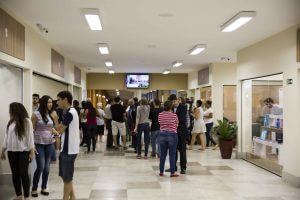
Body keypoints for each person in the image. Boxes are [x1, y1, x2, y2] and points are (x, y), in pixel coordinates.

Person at [1, 102, 35, 200]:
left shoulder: (27, 121)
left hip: (23, 151)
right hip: (11, 152)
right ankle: (19, 195)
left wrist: (32, 152)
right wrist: (3, 150)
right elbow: (6, 138)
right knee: (15, 174)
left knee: (23, 174)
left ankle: (27, 196)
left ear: (16, 110)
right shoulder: (10, 122)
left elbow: (30, 138)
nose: (9, 112)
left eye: (11, 110)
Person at [31, 95, 59, 197]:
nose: (51, 104)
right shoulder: (35, 114)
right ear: (43, 103)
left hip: (49, 144)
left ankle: (44, 186)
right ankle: (34, 188)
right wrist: (32, 145)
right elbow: (31, 130)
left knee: (47, 168)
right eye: (48, 102)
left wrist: (55, 127)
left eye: (51, 102)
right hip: (39, 144)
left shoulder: (50, 115)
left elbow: (53, 128)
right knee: (41, 167)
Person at [56, 91, 80, 200]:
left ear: (65, 99)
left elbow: (60, 130)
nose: (57, 102)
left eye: (59, 100)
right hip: (67, 149)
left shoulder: (70, 112)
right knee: (65, 176)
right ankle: (73, 197)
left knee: (67, 178)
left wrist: (56, 120)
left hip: (69, 149)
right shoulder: (70, 112)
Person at [158, 100, 179, 177]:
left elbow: (160, 123)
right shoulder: (174, 115)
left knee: (163, 154)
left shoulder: (160, 115)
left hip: (162, 134)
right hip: (172, 134)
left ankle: (161, 172)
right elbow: (177, 124)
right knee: (172, 155)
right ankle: (172, 173)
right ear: (171, 107)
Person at [173, 96, 188, 174]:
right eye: (172, 102)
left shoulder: (183, 108)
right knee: (173, 150)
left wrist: (173, 120)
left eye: (175, 101)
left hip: (181, 131)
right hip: (173, 131)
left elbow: (182, 119)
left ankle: (183, 168)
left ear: (178, 101)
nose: (174, 103)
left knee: (182, 150)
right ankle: (173, 167)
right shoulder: (171, 108)